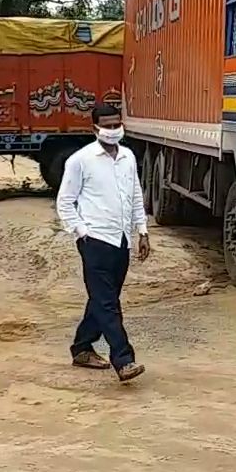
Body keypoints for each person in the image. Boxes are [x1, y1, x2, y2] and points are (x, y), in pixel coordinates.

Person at [56, 104, 151, 382]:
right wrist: (81, 232)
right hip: (94, 241)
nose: (113, 130)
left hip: (120, 240)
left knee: (103, 299)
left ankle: (82, 347)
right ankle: (124, 359)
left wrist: (142, 231)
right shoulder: (80, 160)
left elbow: (135, 194)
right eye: (107, 126)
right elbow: (65, 202)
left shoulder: (128, 157)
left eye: (116, 124)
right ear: (94, 128)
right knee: (107, 303)